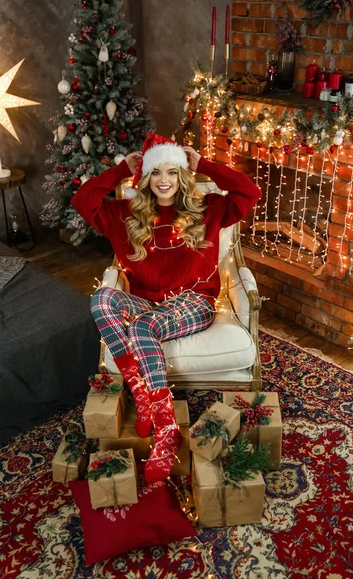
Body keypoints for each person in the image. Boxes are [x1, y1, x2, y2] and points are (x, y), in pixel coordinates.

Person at [71, 132, 261, 484]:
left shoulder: (209, 208)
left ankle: (166, 428)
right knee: (101, 299)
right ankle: (142, 395)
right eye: (156, 172)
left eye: (172, 172)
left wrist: (202, 164)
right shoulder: (125, 214)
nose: (164, 180)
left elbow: (250, 191)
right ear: (144, 177)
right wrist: (118, 172)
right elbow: (83, 201)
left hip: (195, 300)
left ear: (182, 175)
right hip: (148, 301)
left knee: (142, 327)